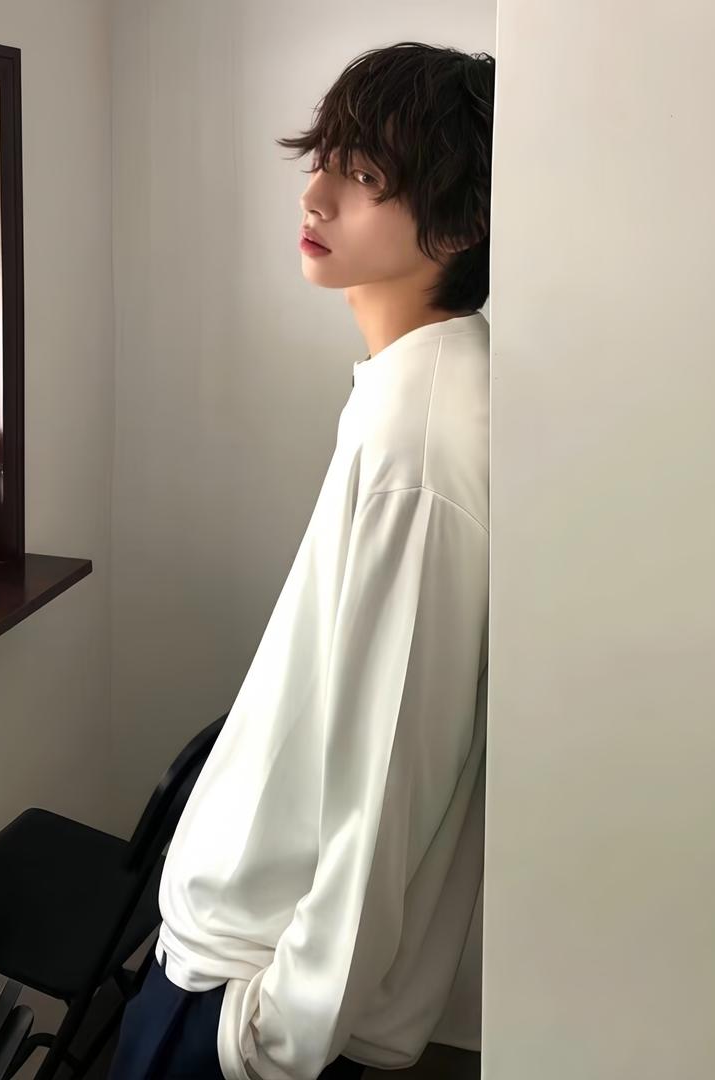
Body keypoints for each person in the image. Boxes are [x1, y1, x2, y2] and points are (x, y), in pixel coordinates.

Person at [108, 40, 495, 1080]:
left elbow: (391, 778)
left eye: (364, 176)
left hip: (242, 999)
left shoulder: (420, 442)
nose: (315, 194)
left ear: (460, 224)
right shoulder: (415, 389)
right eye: (324, 160)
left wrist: (267, 1038)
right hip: (231, 959)